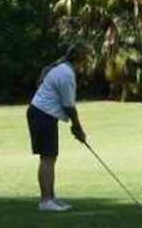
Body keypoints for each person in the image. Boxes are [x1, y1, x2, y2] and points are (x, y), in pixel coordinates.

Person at [26, 43, 91, 212]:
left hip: (42, 114)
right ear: (80, 59)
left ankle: (51, 198)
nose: (87, 63)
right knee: (47, 157)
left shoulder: (62, 68)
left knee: (50, 157)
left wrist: (76, 128)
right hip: (42, 115)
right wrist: (78, 129)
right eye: (87, 59)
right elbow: (69, 107)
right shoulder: (67, 74)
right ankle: (46, 201)